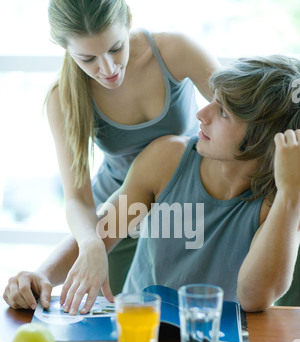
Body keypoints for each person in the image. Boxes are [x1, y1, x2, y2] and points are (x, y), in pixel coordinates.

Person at [4, 55, 300, 313]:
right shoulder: (167, 159)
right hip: (139, 330)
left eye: (222, 112)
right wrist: (39, 274)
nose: (202, 114)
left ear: (264, 139)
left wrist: (289, 196)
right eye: (213, 100)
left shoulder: (279, 202)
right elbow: (104, 231)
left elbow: (253, 298)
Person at [41, 0, 220, 313]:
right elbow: (77, 199)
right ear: (66, 49)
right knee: (115, 321)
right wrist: (91, 243)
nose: (107, 69)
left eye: (115, 48)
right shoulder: (63, 97)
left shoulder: (175, 50)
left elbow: (244, 117)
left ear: (128, 21)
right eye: (88, 59)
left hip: (184, 201)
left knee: (192, 315)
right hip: (119, 210)